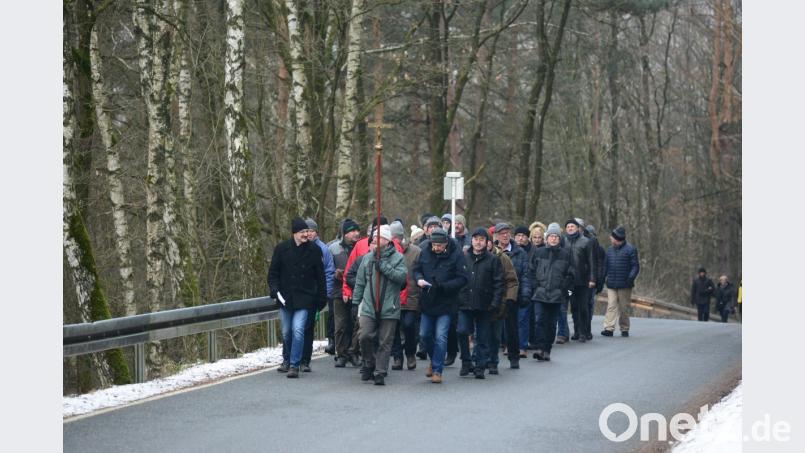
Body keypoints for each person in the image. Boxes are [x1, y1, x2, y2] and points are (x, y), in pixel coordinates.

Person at [267, 217, 327, 378]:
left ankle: (294, 364)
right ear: (294, 233)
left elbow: (320, 276)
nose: (306, 234)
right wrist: (274, 289)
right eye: (303, 232)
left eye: (307, 231)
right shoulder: (281, 249)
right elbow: (273, 273)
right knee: (286, 332)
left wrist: (322, 297)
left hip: (306, 298)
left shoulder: (314, 250)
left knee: (298, 330)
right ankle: (286, 359)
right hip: (285, 298)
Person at [353, 225, 408, 385]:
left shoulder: (398, 258)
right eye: (374, 238)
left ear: (387, 240)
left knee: (385, 341)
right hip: (369, 305)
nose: (375, 241)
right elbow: (360, 282)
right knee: (364, 336)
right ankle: (369, 362)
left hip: (389, 306)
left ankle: (380, 372)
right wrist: (355, 303)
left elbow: (401, 278)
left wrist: (383, 267)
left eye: (379, 238)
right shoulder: (367, 258)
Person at [413, 228, 469, 383]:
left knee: (441, 336)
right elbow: (416, 269)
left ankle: (438, 370)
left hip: (446, 303)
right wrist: (418, 279)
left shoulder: (456, 255)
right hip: (427, 301)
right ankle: (434, 359)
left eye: (439, 245)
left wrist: (444, 286)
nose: (436, 248)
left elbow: (463, 279)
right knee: (424, 335)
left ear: (446, 243)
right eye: (433, 245)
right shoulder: (425, 251)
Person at [458, 228, 504, 379]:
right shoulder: (463, 258)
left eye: (481, 240)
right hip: (464, 303)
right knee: (462, 331)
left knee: (483, 337)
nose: (478, 242)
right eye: (476, 239)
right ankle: (466, 361)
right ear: (471, 241)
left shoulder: (493, 260)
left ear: (487, 242)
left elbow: (499, 283)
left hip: (485, 304)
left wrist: (495, 303)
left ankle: (480, 366)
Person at [530, 223, 575, 362]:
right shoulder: (539, 252)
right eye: (551, 236)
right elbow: (531, 270)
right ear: (547, 238)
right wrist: (535, 287)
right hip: (540, 294)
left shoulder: (566, 254)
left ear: (559, 238)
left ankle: (547, 349)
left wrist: (565, 293)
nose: (553, 239)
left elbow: (571, 276)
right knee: (539, 321)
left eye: (556, 236)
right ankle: (539, 347)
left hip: (557, 296)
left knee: (551, 323)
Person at [299, 218, 335, 372]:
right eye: (306, 231)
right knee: (297, 328)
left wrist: (324, 294)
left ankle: (305, 359)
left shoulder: (323, 249)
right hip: (300, 295)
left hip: (315, 296)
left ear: (316, 232)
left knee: (307, 327)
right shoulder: (297, 248)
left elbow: (328, 272)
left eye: (311, 231)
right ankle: (294, 357)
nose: (309, 233)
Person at [493, 222, 531, 366]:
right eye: (502, 233)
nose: (505, 235)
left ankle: (514, 356)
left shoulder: (519, 252)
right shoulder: (491, 251)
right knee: (493, 328)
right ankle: (491, 358)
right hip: (495, 294)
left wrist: (525, 294)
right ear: (496, 235)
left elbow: (526, 275)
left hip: (512, 294)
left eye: (507, 232)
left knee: (512, 328)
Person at [329, 218, 362, 368]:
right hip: (338, 291)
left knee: (357, 323)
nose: (356, 233)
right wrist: (335, 274)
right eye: (352, 231)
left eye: (357, 230)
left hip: (358, 290)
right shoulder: (333, 248)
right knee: (341, 324)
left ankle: (353, 352)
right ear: (345, 233)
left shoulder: (362, 247)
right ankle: (341, 354)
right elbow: (326, 269)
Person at [389, 221, 422, 371]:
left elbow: (420, 271)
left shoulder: (416, 251)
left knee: (409, 326)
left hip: (411, 295)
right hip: (393, 296)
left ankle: (410, 353)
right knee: (394, 328)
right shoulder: (388, 251)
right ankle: (397, 356)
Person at [600, 225, 640, 337]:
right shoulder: (609, 250)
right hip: (611, 283)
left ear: (618, 239)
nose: (611, 239)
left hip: (625, 284)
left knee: (624, 307)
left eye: (613, 238)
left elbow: (635, 266)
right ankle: (609, 328)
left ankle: (624, 328)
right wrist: (602, 279)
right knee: (611, 305)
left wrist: (630, 278)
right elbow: (605, 267)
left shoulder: (631, 249)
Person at [488, 236, 519, 375]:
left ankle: (514, 356)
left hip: (504, 299)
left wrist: (510, 299)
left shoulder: (503, 258)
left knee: (510, 329)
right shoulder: (475, 256)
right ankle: (485, 360)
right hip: (485, 301)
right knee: (486, 332)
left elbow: (512, 281)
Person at [562, 218, 596, 342]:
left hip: (583, 281)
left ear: (578, 228)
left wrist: (592, 279)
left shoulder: (586, 242)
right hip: (569, 282)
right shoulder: (563, 241)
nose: (570, 228)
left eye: (572, 226)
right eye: (568, 227)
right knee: (574, 307)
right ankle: (576, 331)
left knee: (583, 307)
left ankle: (584, 332)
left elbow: (592, 262)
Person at [584, 224, 606, 337]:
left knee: (589, 304)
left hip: (592, 282)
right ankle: (582, 329)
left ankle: (587, 328)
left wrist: (600, 282)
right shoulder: (583, 246)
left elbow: (601, 267)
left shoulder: (600, 249)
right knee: (583, 305)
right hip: (582, 281)